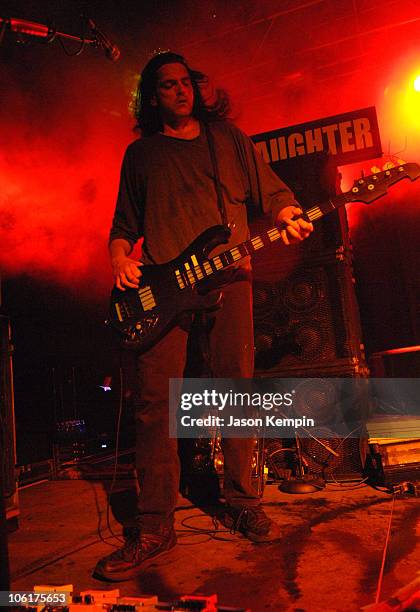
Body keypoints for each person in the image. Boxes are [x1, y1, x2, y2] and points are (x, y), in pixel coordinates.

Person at [94, 52, 313, 582]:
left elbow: (272, 193)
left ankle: (243, 502)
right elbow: (123, 226)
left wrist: (288, 215)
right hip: (164, 292)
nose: (180, 91)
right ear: (152, 97)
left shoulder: (228, 139)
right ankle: (154, 526)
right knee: (154, 402)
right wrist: (121, 259)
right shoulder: (140, 154)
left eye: (186, 82)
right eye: (168, 86)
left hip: (230, 278)